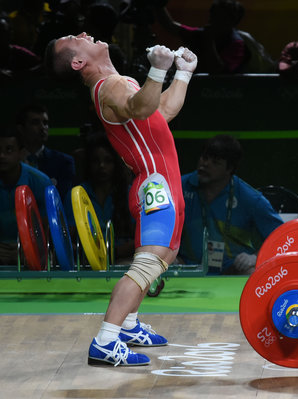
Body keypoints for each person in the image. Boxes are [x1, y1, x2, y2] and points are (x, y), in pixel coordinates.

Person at [45, 32, 197, 366]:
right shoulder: (109, 87)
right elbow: (140, 107)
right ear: (77, 62)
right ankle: (105, 341)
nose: (85, 33)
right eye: (75, 37)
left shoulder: (118, 81)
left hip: (162, 181)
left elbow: (160, 112)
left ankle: (128, 325)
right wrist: (157, 70)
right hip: (155, 182)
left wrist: (181, 74)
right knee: (147, 264)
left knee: (166, 255)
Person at [179, 134, 283, 275]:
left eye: (215, 162)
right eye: (204, 158)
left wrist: (255, 257)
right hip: (185, 266)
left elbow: (282, 237)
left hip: (231, 268)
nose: (205, 164)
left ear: (230, 169)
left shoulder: (250, 199)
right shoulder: (179, 187)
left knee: (252, 271)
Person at [64, 134, 135, 263]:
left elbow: (141, 240)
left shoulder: (130, 193)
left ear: (116, 163)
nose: (102, 166)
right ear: (88, 164)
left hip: (124, 260)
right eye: (96, 161)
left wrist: (111, 253)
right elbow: (68, 238)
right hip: (85, 261)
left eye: (108, 161)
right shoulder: (75, 195)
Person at [155, 0, 273, 74]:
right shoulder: (202, 33)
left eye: (219, 17)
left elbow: (218, 72)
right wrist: (158, 5)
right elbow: (171, 26)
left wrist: (209, 42)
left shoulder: (237, 43)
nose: (212, 20)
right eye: (213, 15)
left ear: (232, 21)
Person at [0, 126, 52, 265]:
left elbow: (47, 229)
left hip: (31, 252)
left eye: (9, 150)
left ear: (22, 153)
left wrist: (31, 250)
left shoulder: (41, 182)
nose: (2, 156)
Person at [15, 103, 75, 201]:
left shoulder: (63, 162)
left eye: (45, 123)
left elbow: (63, 200)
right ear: (21, 129)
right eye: (35, 122)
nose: (43, 127)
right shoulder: (11, 162)